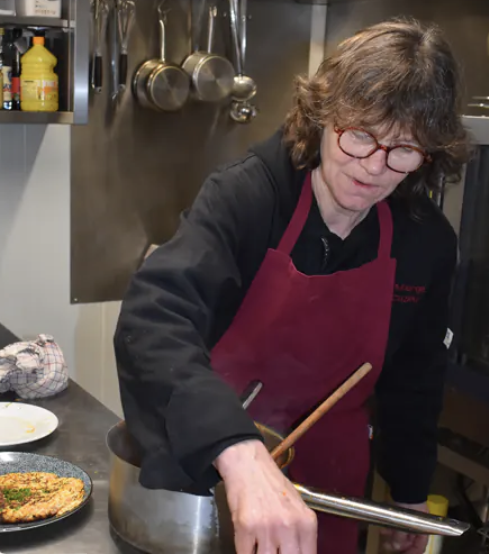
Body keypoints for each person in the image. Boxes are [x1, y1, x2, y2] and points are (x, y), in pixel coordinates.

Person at [114, 16, 470, 554]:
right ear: (324, 116)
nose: (374, 167)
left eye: (402, 150)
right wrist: (240, 450)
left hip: (330, 489)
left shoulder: (424, 241)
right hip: (216, 479)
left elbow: (416, 378)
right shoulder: (248, 197)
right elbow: (154, 320)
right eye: (360, 136)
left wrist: (410, 493)